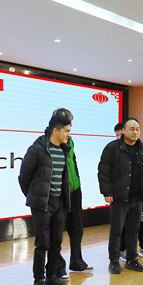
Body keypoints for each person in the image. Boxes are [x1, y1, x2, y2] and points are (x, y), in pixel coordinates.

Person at [19, 113, 72, 285]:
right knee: (42, 243)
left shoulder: (64, 149)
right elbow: (24, 177)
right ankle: (38, 280)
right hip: (42, 203)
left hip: (59, 202)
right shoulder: (37, 149)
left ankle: (52, 276)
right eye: (66, 131)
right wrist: (35, 196)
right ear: (55, 131)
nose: (68, 135)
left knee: (56, 241)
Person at [98, 118, 143, 274]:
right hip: (119, 198)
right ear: (123, 131)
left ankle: (131, 259)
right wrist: (107, 192)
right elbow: (103, 171)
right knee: (117, 231)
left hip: (138, 198)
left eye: (137, 129)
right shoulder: (112, 148)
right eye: (132, 129)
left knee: (133, 231)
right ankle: (114, 261)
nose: (135, 132)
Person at [52, 108, 92, 276]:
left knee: (77, 228)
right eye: (67, 122)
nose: (69, 126)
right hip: (59, 193)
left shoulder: (70, 139)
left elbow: (73, 163)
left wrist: (78, 183)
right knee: (56, 232)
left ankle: (76, 261)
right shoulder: (49, 141)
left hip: (74, 190)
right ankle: (57, 266)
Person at [114, 122, 143, 261]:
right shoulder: (114, 150)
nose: (120, 137)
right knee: (124, 226)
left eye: (137, 129)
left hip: (141, 194)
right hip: (123, 196)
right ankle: (122, 250)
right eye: (118, 135)